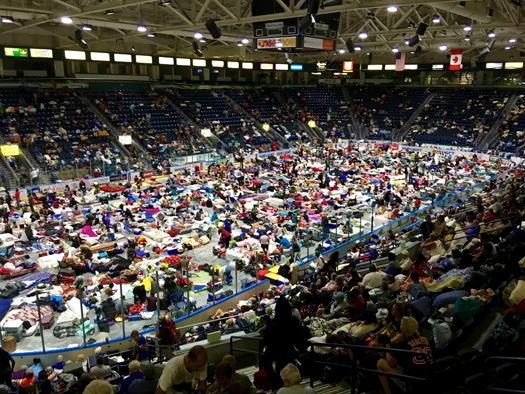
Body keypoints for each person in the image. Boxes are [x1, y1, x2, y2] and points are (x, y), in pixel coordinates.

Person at [376, 316, 433, 394]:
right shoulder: (426, 340)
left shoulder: (402, 343)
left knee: (380, 362)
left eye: (401, 325)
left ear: (405, 328)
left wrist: (387, 349)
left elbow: (391, 364)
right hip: (428, 378)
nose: (400, 326)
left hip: (411, 381)